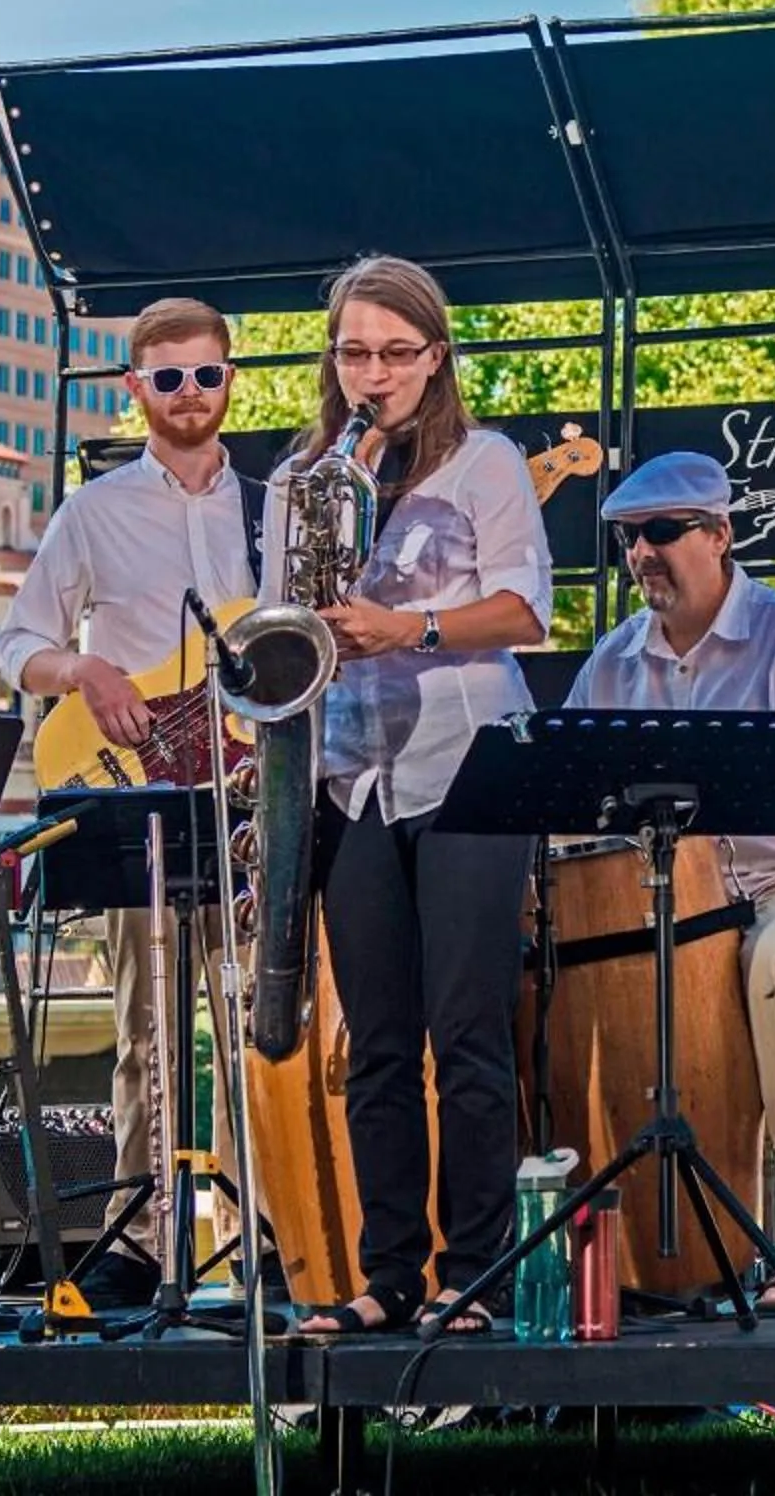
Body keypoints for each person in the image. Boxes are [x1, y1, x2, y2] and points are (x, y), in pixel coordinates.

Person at [273, 255, 554, 1338]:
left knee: (468, 1032)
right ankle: (389, 1273)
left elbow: (525, 608)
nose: (373, 373)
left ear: (436, 357)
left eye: (396, 352)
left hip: (467, 761)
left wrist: (411, 628)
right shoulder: (305, 475)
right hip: (352, 769)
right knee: (377, 1045)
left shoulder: (484, 462)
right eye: (355, 352)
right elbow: (282, 632)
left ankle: (471, 1274)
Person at [562, 451, 775, 1315]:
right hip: (669, 903)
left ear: (720, 535)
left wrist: (714, 780)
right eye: (631, 539)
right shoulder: (612, 659)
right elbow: (566, 790)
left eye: (664, 533)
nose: (643, 554)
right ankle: (615, 1246)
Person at [0, 294, 259, 1311]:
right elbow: (19, 648)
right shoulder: (91, 512)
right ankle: (140, 1239)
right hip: (131, 792)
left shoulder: (272, 508)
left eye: (207, 373)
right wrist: (87, 669)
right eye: (168, 376)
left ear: (231, 378)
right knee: (148, 1022)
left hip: (240, 801)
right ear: (134, 388)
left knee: (248, 1017)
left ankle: (250, 1237)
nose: (190, 393)